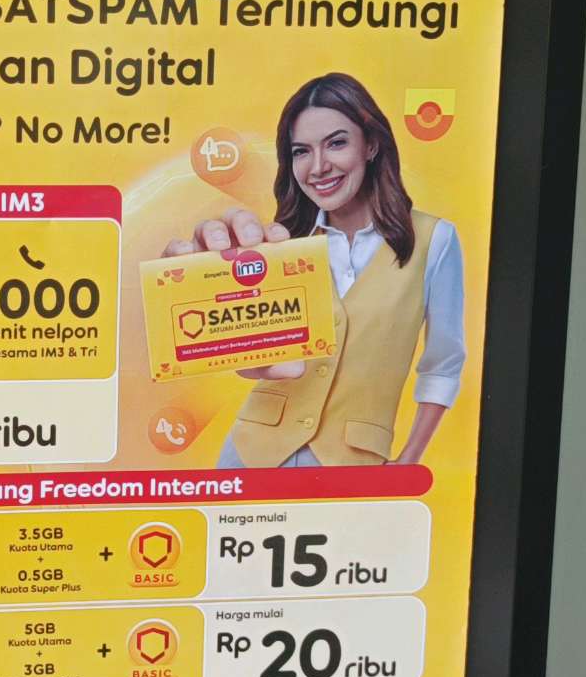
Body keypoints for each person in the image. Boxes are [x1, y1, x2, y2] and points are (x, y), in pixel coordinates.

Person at [162, 73, 466, 468]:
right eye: (301, 151)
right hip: (251, 454)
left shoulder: (433, 239)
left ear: (371, 145)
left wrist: (409, 459)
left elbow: (443, 362)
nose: (318, 167)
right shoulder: (281, 242)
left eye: (336, 143)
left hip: (354, 462)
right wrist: (197, 292)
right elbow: (251, 360)